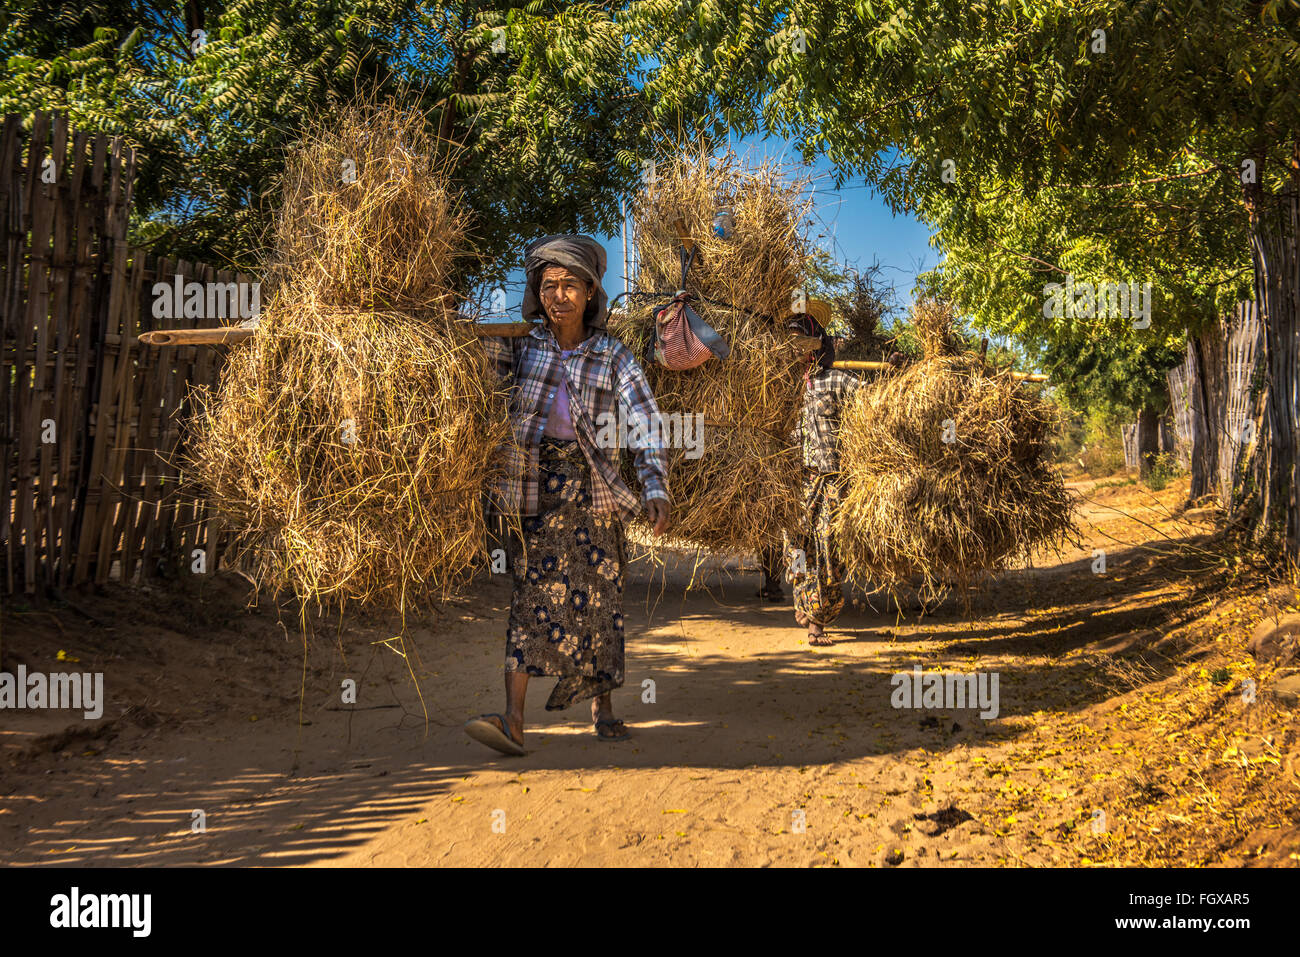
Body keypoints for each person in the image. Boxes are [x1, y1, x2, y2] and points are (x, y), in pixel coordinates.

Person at [464, 235, 671, 756]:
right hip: (535, 490)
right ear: (538, 292)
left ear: (590, 293)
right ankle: (514, 720)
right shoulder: (519, 344)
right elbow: (465, 364)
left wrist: (654, 486)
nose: (559, 295)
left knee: (600, 599)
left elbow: (645, 423)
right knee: (530, 600)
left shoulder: (613, 355)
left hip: (594, 490)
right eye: (549, 285)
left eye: (570, 285)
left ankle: (602, 709)